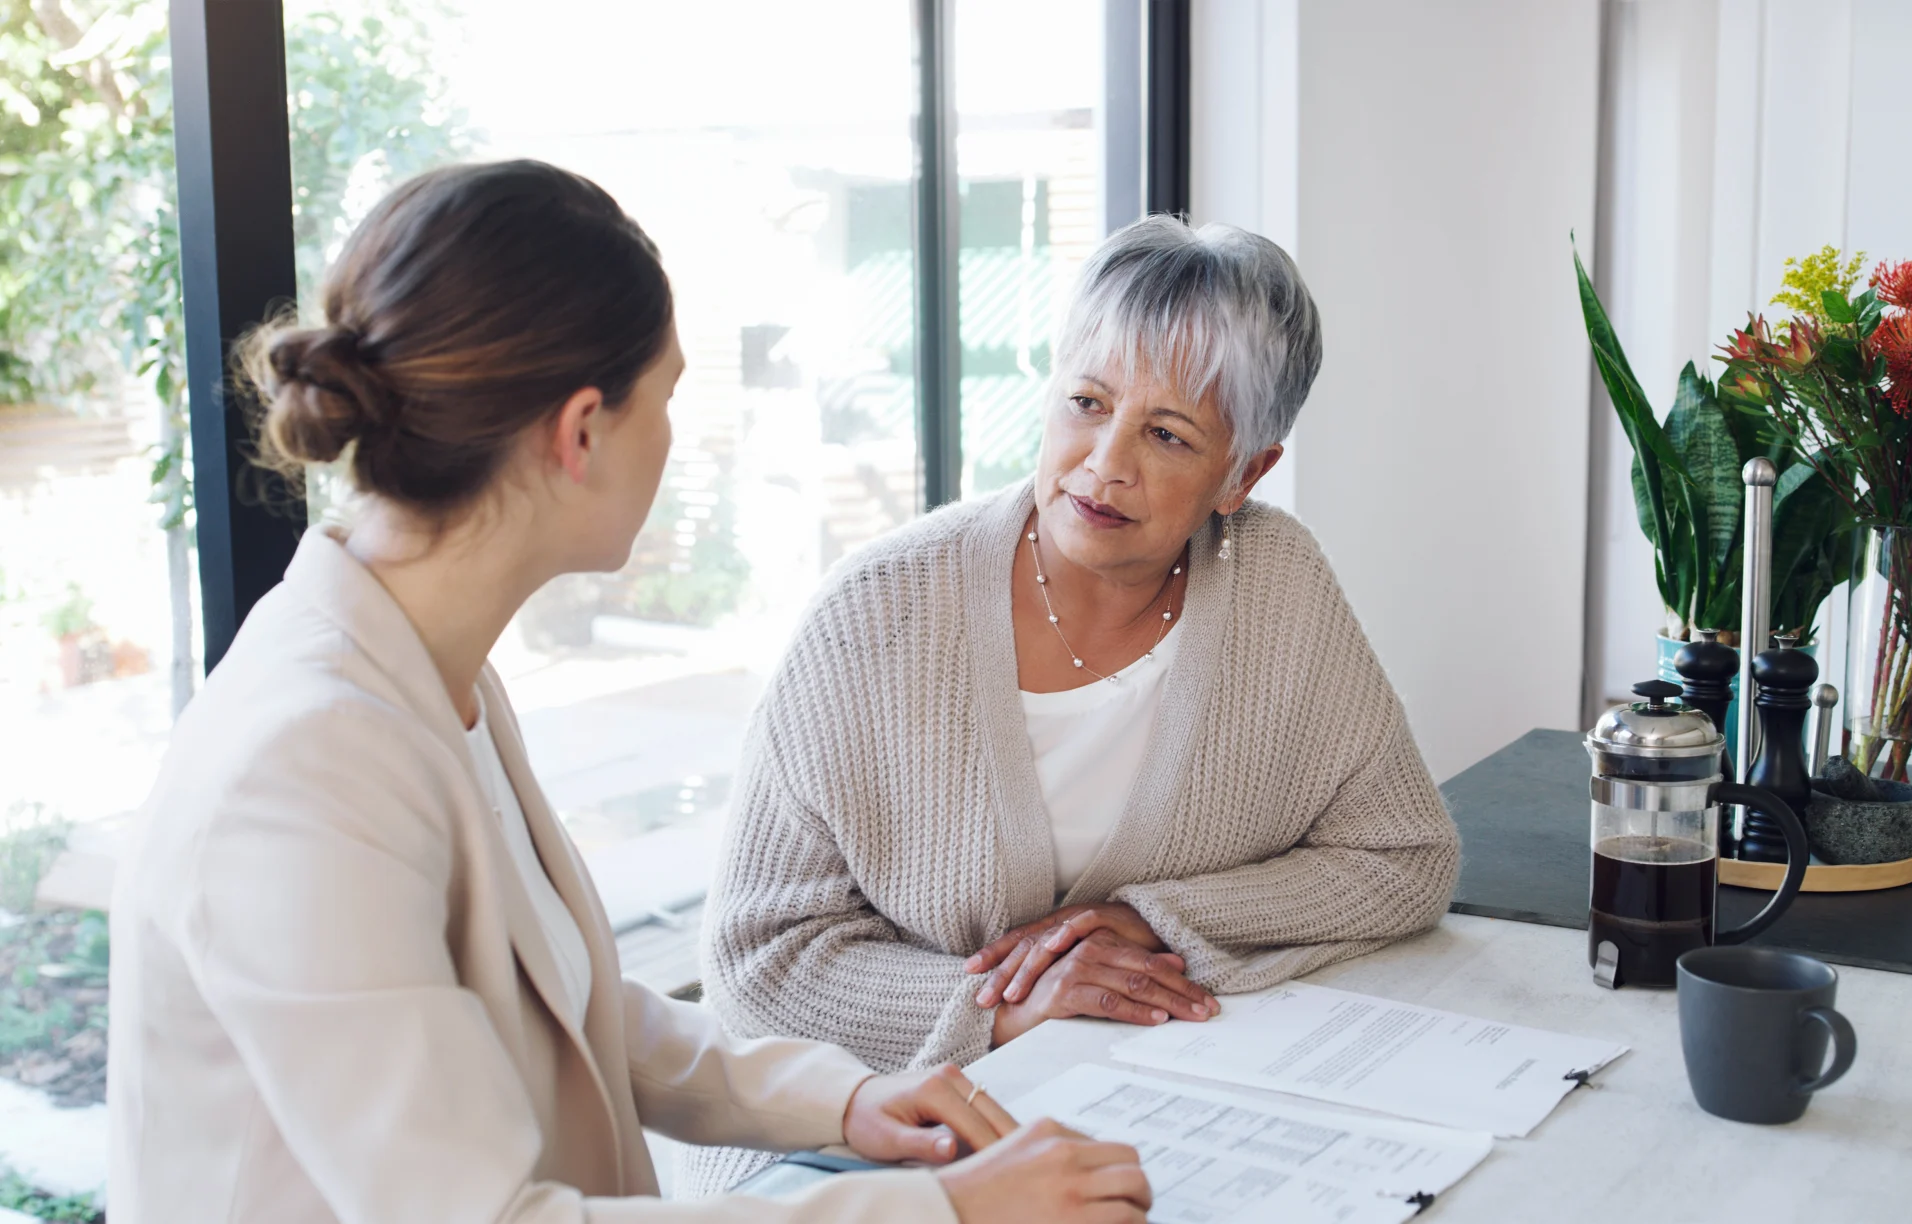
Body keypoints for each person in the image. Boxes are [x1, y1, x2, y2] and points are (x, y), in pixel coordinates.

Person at [105, 160, 1150, 1224]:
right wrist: (950, 1211)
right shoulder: (302, 771)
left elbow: (563, 1002)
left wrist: (845, 1100)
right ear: (582, 432)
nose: (672, 436)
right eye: (669, 395)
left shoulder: (425, 669)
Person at [680, 215, 1460, 1195]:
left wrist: (1148, 921)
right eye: (1086, 403)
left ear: (1244, 473)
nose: (1106, 462)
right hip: (852, 1149)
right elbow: (755, 968)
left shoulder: (1279, 583)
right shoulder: (874, 614)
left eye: (1167, 434)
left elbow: (1402, 858)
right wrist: (1005, 1009)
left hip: (1147, 1112)